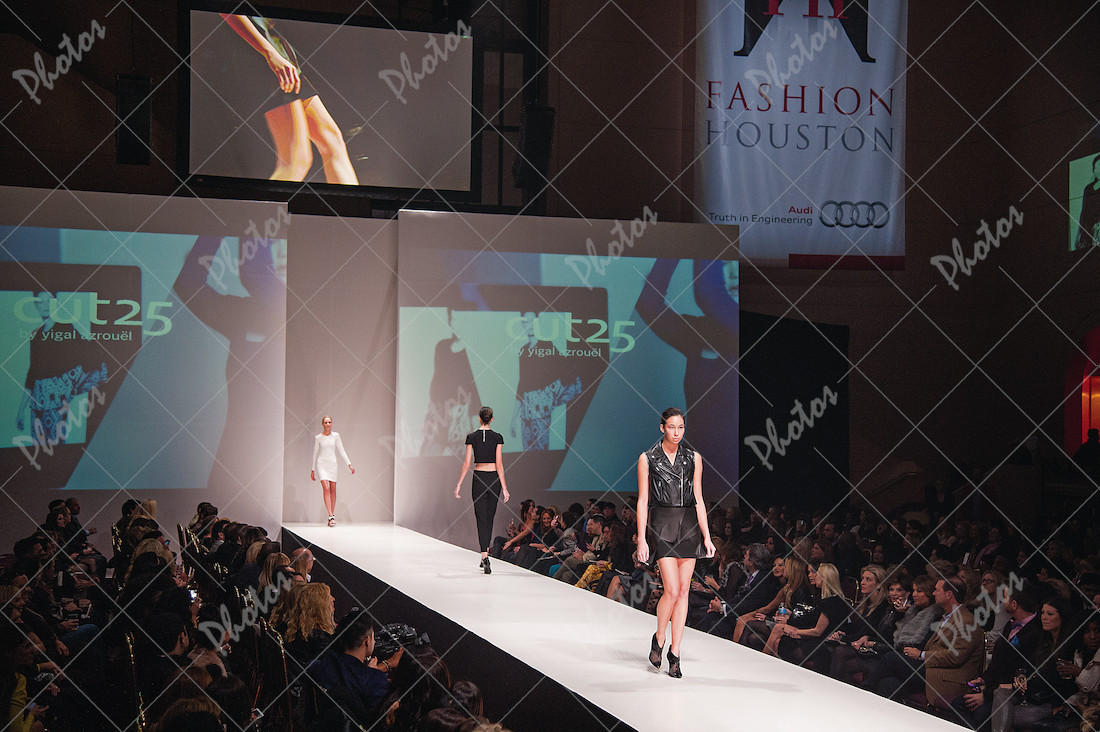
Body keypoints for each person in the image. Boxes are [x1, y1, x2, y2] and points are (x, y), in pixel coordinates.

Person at [219, 14, 359, 184]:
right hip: (261, 57)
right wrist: (268, 52)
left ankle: (348, 202)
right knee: (296, 161)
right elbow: (228, 10)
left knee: (332, 141)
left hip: (281, 53)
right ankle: (258, 203)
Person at [636, 407, 716, 678]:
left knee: (683, 592)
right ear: (662, 428)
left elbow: (699, 499)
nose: (677, 432)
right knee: (670, 590)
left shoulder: (693, 458)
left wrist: (707, 536)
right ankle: (659, 637)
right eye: (671, 427)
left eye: (681, 427)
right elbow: (643, 501)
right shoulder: (648, 458)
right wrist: (642, 539)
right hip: (662, 524)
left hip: (689, 525)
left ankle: (675, 652)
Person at [454, 406, 510, 574]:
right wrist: (505, 488)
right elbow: (499, 464)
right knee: (489, 517)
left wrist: (458, 484)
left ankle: (484, 556)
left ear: (479, 418)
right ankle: (484, 555)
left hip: (479, 478)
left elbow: (466, 463)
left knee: (481, 518)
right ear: (491, 419)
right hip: (494, 480)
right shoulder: (498, 437)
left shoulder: (471, 437)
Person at [312, 416, 355, 527]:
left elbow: (341, 450)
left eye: (329, 422)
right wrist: (313, 469)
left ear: (332, 423)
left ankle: (331, 515)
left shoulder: (336, 436)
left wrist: (349, 464)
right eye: (325, 422)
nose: (327, 424)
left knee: (333, 489)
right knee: (326, 488)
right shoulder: (318, 438)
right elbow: (315, 453)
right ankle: (331, 516)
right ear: (322, 424)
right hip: (321, 464)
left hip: (332, 464)